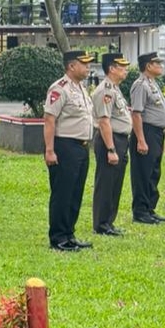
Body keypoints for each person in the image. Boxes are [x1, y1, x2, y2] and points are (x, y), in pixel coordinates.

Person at [43, 50, 95, 251]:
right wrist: (49, 150)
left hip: (81, 147)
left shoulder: (81, 88)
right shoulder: (59, 88)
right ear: (72, 66)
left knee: (75, 193)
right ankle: (58, 238)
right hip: (64, 146)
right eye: (85, 64)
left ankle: (69, 233)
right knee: (63, 193)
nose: (88, 67)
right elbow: (49, 120)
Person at [91, 53, 131, 236]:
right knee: (106, 183)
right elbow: (104, 122)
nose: (126, 70)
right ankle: (101, 223)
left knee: (115, 183)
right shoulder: (105, 90)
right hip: (111, 140)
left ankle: (109, 221)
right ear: (112, 69)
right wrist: (111, 149)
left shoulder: (115, 89)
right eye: (122, 67)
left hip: (120, 139)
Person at [129, 52, 165, 224]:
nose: (161, 66)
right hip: (146, 131)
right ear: (148, 66)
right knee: (143, 172)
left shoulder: (153, 84)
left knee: (153, 171)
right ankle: (140, 211)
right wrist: (141, 140)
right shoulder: (140, 85)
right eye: (157, 63)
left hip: (157, 133)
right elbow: (136, 114)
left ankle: (149, 208)